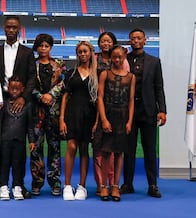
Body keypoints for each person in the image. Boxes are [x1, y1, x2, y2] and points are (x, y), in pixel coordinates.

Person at [0, 15, 36, 199]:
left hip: (21, 101)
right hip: (1, 102)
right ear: (4, 28)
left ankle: (19, 185)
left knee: (18, 147)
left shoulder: (27, 52)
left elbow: (32, 77)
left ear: (19, 29)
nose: (11, 30)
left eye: (14, 27)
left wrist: (23, 98)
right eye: (8, 27)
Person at [120, 28, 167, 198]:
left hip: (148, 111)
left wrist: (162, 110)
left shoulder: (155, 62)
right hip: (128, 112)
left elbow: (159, 87)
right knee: (128, 149)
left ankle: (152, 185)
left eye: (139, 38)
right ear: (130, 41)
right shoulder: (123, 60)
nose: (136, 41)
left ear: (145, 40)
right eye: (133, 38)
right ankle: (127, 184)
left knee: (149, 149)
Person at [93, 45, 136, 201]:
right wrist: (103, 119)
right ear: (110, 57)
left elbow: (131, 101)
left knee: (119, 154)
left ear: (124, 57)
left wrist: (130, 121)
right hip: (108, 114)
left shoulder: (131, 77)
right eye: (114, 57)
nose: (117, 60)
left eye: (120, 57)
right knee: (105, 153)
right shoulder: (105, 74)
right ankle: (104, 186)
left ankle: (115, 186)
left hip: (123, 116)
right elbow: (100, 98)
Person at [60, 41, 98, 201]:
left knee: (84, 149)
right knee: (71, 146)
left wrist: (97, 122)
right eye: (80, 52)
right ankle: (67, 185)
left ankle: (82, 186)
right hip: (72, 114)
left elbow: (100, 99)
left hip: (89, 115)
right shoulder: (71, 73)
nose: (83, 54)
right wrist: (61, 119)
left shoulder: (98, 73)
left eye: (85, 51)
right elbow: (65, 96)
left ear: (91, 53)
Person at [30, 33, 66, 196]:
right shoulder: (31, 64)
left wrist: (51, 94)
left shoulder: (59, 64)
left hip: (54, 112)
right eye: (41, 46)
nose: (43, 49)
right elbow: (27, 85)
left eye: (46, 46)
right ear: (37, 47)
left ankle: (55, 181)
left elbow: (64, 84)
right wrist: (40, 96)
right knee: (35, 148)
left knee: (55, 148)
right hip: (36, 113)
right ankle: (37, 182)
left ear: (51, 47)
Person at [0, 76, 35, 200]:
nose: (14, 91)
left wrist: (31, 141)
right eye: (12, 89)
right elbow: (0, 123)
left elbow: (30, 126)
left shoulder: (27, 106)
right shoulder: (3, 104)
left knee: (18, 164)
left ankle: (17, 186)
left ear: (23, 89)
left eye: (17, 89)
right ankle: (3, 186)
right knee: (4, 164)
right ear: (8, 89)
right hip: (5, 140)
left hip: (20, 140)